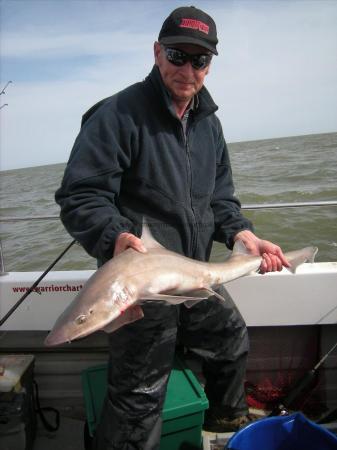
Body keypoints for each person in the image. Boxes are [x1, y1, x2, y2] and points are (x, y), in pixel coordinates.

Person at [55, 6, 290, 449]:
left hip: (192, 273)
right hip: (141, 282)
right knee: (140, 396)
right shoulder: (117, 115)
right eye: (178, 55)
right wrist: (114, 237)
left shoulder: (210, 125)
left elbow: (221, 201)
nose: (188, 69)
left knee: (232, 342)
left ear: (210, 64)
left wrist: (242, 235)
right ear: (157, 52)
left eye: (199, 60)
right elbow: (81, 195)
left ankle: (224, 427)